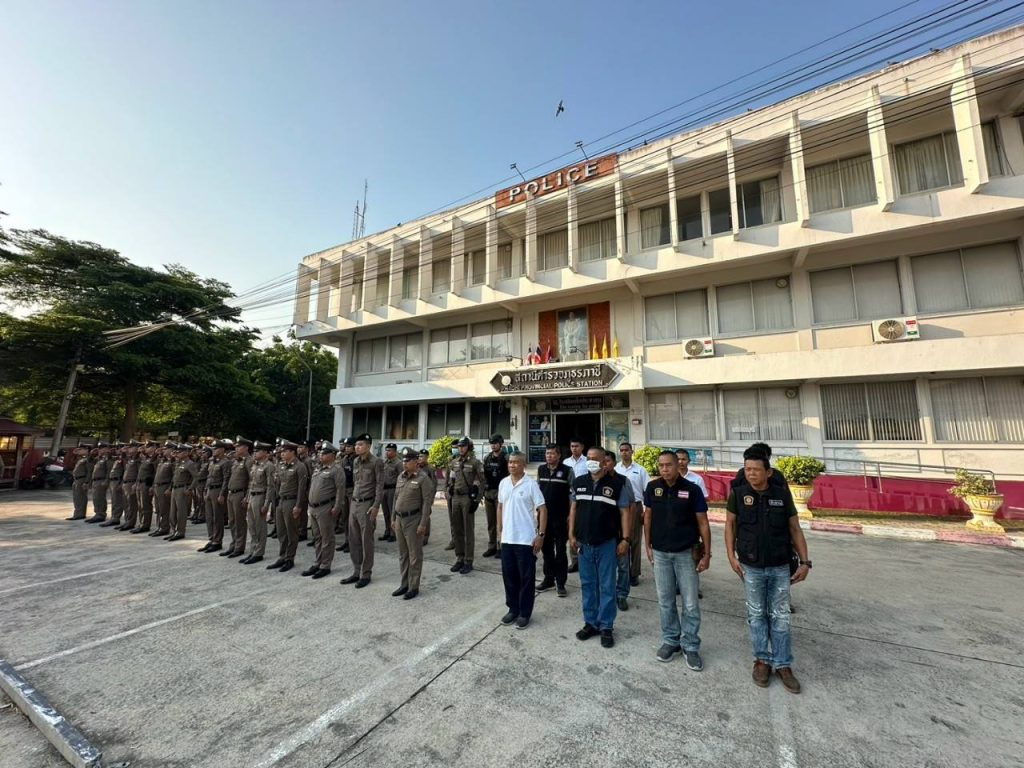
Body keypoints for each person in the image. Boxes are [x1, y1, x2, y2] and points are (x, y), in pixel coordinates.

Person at [725, 450, 812, 694]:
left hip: (779, 566)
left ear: (768, 472)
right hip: (751, 566)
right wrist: (731, 556)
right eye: (747, 469)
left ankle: (783, 664)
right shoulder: (739, 494)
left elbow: (794, 528)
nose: (751, 474)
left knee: (780, 616)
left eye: (756, 469)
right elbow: (730, 525)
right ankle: (762, 660)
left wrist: (805, 562)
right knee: (756, 615)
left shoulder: (781, 495)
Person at [644, 450, 710, 670]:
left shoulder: (691, 489)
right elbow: (648, 517)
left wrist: (707, 553)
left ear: (677, 465)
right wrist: (648, 545)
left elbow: (703, 522)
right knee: (665, 600)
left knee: (690, 603)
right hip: (661, 553)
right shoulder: (653, 488)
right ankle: (671, 640)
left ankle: (690, 645)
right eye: (661, 465)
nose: (665, 469)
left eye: (669, 465)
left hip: (685, 553)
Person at [569, 447, 632, 649]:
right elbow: (573, 509)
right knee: (588, 584)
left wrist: (625, 539)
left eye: (595, 458)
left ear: (605, 461)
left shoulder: (617, 484)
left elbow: (625, 512)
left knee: (606, 586)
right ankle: (591, 623)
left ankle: (606, 626)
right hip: (584, 543)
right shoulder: (579, 482)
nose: (591, 461)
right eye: (589, 458)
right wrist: (571, 534)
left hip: (607, 543)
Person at [497, 452, 547, 629]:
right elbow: (500, 506)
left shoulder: (531, 484)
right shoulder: (503, 483)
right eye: (510, 462)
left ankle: (525, 613)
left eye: (516, 462)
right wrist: (499, 532)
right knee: (509, 577)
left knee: (526, 579)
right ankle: (513, 609)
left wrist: (541, 535)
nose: (512, 465)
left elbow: (542, 509)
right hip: (507, 538)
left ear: (524, 465)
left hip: (526, 540)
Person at [340, 433, 383, 588]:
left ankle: (366, 574)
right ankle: (356, 571)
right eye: (356, 445)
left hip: (367, 504)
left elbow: (379, 485)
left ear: (368, 446)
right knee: (354, 539)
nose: (357, 447)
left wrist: (376, 505)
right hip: (354, 502)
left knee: (366, 541)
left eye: (360, 444)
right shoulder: (356, 461)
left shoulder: (376, 462)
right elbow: (356, 482)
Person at [390, 448, 432, 600]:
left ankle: (413, 586)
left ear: (415, 462)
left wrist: (423, 524)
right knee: (403, 554)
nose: (404, 463)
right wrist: (393, 518)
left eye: (407, 461)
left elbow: (427, 503)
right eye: (403, 460)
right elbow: (395, 498)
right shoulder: (400, 477)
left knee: (414, 555)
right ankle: (404, 584)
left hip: (414, 520)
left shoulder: (423, 478)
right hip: (399, 519)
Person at [302, 441, 345, 579]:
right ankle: (318, 562)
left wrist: (337, 507)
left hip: (326, 507)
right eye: (320, 452)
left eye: (324, 453)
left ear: (332, 455)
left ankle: (325, 565)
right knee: (317, 537)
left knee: (327, 538)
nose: (321, 455)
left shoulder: (336, 470)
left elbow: (340, 490)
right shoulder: (318, 469)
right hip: (314, 507)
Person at [266, 440, 308, 573]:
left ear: (292, 452)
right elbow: (277, 484)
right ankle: (282, 556)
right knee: (281, 532)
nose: (282, 454)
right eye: (282, 452)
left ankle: (290, 558)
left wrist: (298, 506)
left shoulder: (300, 466)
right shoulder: (281, 465)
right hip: (281, 500)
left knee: (291, 532)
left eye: (285, 451)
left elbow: (302, 488)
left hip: (292, 501)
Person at [615, 442, 650, 600]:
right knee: (621, 540)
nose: (624, 453)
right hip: (619, 507)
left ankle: (634, 573)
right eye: (621, 450)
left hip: (635, 507)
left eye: (627, 450)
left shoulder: (640, 470)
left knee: (634, 541)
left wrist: (646, 511)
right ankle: (622, 571)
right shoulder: (616, 468)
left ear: (632, 451)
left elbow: (647, 492)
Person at [446, 437, 484, 575]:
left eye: (463, 446)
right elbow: (451, 478)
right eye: (459, 446)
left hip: (467, 498)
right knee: (457, 529)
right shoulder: (454, 462)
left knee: (468, 530)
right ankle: (459, 558)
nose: (460, 448)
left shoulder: (475, 462)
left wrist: (477, 500)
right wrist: (450, 489)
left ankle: (468, 561)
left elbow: (482, 482)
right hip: (455, 498)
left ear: (469, 447)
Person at [535, 444, 570, 597]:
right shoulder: (541, 469)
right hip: (544, 518)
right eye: (547, 453)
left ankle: (560, 582)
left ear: (559, 455)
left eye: (552, 453)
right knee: (546, 549)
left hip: (561, 517)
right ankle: (548, 578)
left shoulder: (567, 471)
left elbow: (572, 495)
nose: (549, 456)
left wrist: (570, 515)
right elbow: (537, 490)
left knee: (560, 551)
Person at [241, 441, 275, 565]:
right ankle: (253, 550)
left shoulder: (269, 466)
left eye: (258, 451)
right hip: (252, 497)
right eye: (254, 451)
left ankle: (259, 552)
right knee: (251, 525)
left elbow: (270, 486)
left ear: (265, 453)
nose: (255, 453)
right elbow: (251, 483)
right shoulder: (255, 465)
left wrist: (266, 504)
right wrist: (247, 497)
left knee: (260, 526)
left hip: (260, 497)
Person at [223, 438, 253, 557]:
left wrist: (247, 496)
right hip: (231, 493)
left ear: (246, 448)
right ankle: (234, 544)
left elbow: (251, 480)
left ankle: (239, 547)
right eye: (236, 447)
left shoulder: (249, 461)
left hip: (240, 494)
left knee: (239, 521)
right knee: (232, 521)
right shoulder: (236, 461)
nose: (236, 449)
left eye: (239, 447)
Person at [482, 434, 509, 558]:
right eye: (491, 443)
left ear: (501, 443)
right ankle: (491, 546)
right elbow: (483, 476)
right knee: (491, 522)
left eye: (495, 443)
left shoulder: (506, 458)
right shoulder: (487, 458)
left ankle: (501, 547)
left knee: (501, 522)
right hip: (489, 493)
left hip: (501, 494)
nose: (493, 445)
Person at [563, 438, 588, 573]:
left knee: (583, 527)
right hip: (570, 498)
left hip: (584, 498)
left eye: (576, 446)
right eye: (572, 446)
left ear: (582, 447)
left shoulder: (587, 462)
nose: (574, 448)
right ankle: (574, 561)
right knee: (571, 528)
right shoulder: (566, 462)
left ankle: (585, 560)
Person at [168, 443, 197, 542]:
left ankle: (180, 532)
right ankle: (174, 531)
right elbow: (174, 477)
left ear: (186, 453)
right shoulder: (179, 463)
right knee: (172, 512)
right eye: (177, 452)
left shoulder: (190, 463)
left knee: (181, 512)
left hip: (182, 489)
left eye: (179, 452)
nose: (177, 454)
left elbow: (196, 477)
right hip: (175, 489)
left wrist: (190, 488)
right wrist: (170, 488)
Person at [335, 437, 356, 552]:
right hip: (344, 489)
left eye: (349, 446)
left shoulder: (356, 460)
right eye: (346, 446)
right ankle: (347, 540)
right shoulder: (344, 459)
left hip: (353, 490)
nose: (346, 448)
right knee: (345, 517)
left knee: (352, 518)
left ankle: (353, 542)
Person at [150, 443, 175, 537]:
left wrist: (170, 488)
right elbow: (152, 463)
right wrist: (156, 453)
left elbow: (174, 476)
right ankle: (159, 527)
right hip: (157, 486)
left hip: (164, 487)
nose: (163, 450)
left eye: (165, 449)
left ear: (171, 450)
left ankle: (164, 528)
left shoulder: (172, 462)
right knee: (158, 509)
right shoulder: (161, 460)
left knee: (164, 509)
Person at [132, 443, 156, 534]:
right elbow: (136, 463)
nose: (145, 449)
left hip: (146, 484)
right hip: (140, 483)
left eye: (147, 447)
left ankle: (145, 525)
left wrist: (152, 486)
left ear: (153, 448)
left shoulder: (154, 459)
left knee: (145, 505)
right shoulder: (144, 458)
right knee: (140, 506)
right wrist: (136, 483)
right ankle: (141, 523)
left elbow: (155, 473)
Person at [379, 443, 401, 542]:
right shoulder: (384, 462)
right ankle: (387, 531)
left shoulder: (398, 463)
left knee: (392, 512)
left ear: (395, 452)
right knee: (385, 512)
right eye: (386, 450)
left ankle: (393, 533)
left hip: (392, 489)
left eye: (389, 450)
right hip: (384, 490)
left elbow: (401, 478)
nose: (387, 452)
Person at [100, 446, 125, 528]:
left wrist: (121, 483)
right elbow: (107, 460)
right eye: (116, 449)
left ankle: (116, 518)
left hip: (118, 481)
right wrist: (108, 452)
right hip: (113, 481)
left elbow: (125, 472)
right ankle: (114, 517)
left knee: (117, 501)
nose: (118, 450)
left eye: (119, 448)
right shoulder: (116, 459)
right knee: (114, 501)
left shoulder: (124, 459)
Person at [85, 442, 111, 523]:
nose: (101, 450)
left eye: (103, 448)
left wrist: (106, 481)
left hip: (101, 480)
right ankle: (97, 513)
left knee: (100, 498)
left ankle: (101, 514)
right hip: (95, 481)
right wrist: (91, 454)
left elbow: (109, 471)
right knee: (95, 498)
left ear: (107, 449)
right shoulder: (98, 459)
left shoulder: (107, 459)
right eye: (100, 448)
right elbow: (89, 462)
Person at [118, 443, 140, 531]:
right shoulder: (130, 459)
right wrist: (123, 452)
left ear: (136, 448)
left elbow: (140, 472)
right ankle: (127, 521)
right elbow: (123, 461)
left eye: (131, 447)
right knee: (126, 504)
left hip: (132, 483)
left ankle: (131, 522)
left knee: (132, 505)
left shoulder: (138, 459)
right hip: (126, 483)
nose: (129, 449)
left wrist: (136, 483)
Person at [416, 448, 435, 546]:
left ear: (427, 457)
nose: (420, 458)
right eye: (419, 456)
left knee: (426, 516)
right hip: (417, 496)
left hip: (426, 496)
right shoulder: (416, 467)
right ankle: (418, 535)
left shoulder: (430, 468)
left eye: (422, 456)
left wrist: (432, 498)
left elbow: (434, 484)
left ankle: (425, 537)